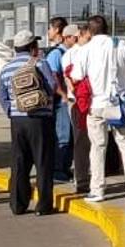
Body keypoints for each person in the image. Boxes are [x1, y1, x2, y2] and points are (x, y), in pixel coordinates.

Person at [73, 14, 125, 202]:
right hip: (119, 104)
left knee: (97, 147)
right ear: (107, 28)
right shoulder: (121, 45)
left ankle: (97, 189)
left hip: (96, 105)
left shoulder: (84, 50)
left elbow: (77, 76)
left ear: (89, 31)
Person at [0, 30, 58, 216]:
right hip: (39, 119)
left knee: (19, 162)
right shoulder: (40, 63)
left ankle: (17, 204)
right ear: (33, 47)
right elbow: (53, 86)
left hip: (17, 120)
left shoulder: (6, 68)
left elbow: (3, 96)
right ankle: (43, 205)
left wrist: (12, 111)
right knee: (43, 162)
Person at [61, 24, 92, 193]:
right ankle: (81, 180)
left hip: (95, 101)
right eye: (87, 37)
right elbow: (69, 79)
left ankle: (94, 177)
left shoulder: (93, 51)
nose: (89, 40)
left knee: (97, 141)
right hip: (78, 102)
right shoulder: (69, 55)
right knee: (81, 141)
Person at [44, 16, 73, 182]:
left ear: (57, 30)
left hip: (66, 100)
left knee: (67, 136)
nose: (48, 32)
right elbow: (53, 78)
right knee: (63, 136)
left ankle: (64, 167)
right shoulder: (56, 53)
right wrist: (63, 96)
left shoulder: (62, 52)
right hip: (61, 101)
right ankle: (58, 169)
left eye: (50, 28)